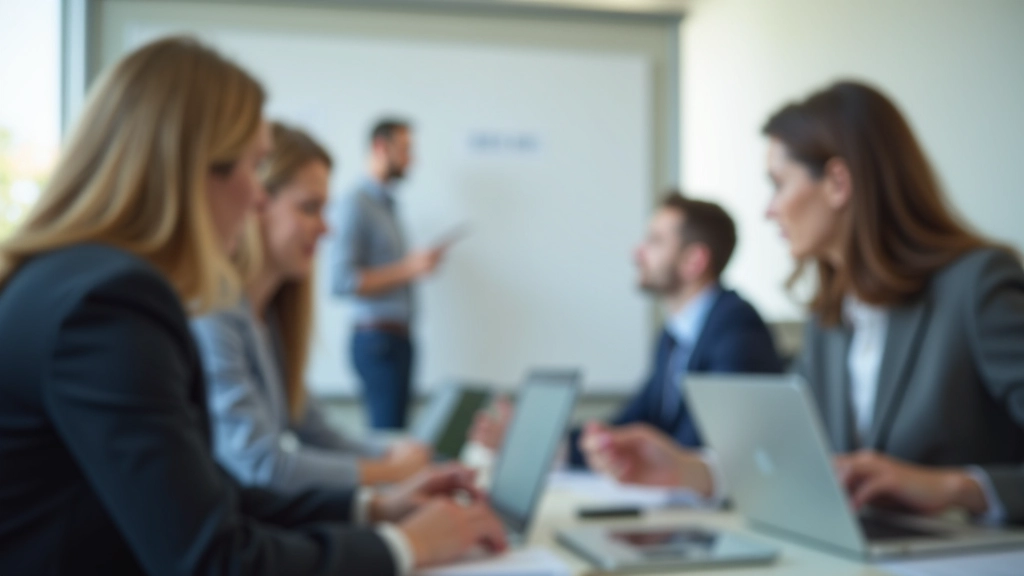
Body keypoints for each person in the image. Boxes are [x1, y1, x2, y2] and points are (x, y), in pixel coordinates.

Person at [0, 37, 506, 575]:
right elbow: (215, 561)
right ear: (194, 169)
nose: (259, 198)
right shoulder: (111, 308)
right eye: (254, 166)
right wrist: (405, 547)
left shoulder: (69, 281)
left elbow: (206, 498)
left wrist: (377, 507)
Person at [582, 81, 1024, 524]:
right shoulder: (829, 318)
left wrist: (958, 488)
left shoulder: (977, 287)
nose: (768, 211)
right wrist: (684, 470)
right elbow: (790, 459)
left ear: (837, 183)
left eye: (778, 184)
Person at [192, 122, 432, 492]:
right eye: (309, 208)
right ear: (258, 203)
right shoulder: (215, 312)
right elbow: (260, 463)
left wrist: (393, 453)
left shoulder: (269, 319)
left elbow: (317, 431)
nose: (326, 229)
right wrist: (391, 473)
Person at [471, 194, 783, 469]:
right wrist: (539, 443)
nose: (638, 253)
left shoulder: (736, 326)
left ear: (694, 261)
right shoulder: (673, 336)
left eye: (655, 241)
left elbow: (697, 448)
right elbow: (634, 419)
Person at [332, 119, 447, 430]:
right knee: (387, 439)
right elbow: (341, 281)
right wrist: (409, 268)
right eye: (406, 150)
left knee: (397, 434)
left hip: (398, 338)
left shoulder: (389, 206)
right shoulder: (355, 203)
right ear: (381, 147)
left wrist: (415, 267)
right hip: (376, 341)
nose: (413, 160)